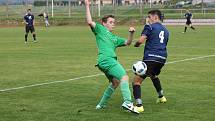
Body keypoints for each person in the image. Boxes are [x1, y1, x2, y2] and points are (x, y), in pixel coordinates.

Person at [85, 0, 139, 114]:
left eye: (114, 22)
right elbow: (90, 21)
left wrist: (131, 33)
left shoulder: (114, 38)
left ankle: (101, 105)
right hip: (107, 60)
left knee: (115, 83)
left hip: (103, 63)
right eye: (111, 22)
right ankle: (128, 102)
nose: (113, 24)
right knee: (124, 77)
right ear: (104, 23)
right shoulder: (100, 29)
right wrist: (87, 5)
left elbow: (128, 42)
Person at [132, 10, 169, 113]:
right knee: (153, 75)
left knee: (136, 82)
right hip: (162, 58)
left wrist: (136, 44)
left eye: (149, 17)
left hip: (151, 57)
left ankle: (139, 106)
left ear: (155, 17)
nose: (148, 19)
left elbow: (140, 41)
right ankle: (161, 97)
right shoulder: (166, 30)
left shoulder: (149, 26)